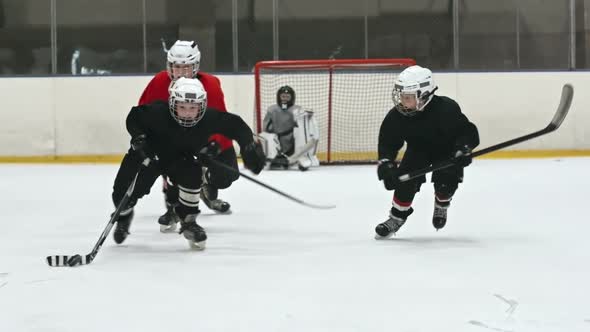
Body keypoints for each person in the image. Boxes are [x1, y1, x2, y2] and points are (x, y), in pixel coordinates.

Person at [111, 78, 266, 250]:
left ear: (201, 106)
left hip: (178, 159)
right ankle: (124, 217)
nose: (187, 113)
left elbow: (236, 125)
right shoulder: (156, 112)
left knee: (192, 175)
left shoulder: (208, 118)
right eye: (182, 107)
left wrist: (248, 146)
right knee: (122, 195)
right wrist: (139, 138)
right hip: (147, 155)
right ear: (172, 103)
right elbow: (134, 117)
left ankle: (188, 221)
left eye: (193, 108)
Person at [139, 40, 237, 225]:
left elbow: (221, 121)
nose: (180, 72)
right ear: (169, 66)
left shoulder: (210, 85)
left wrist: (212, 147)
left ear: (196, 66)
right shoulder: (160, 82)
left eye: (187, 67)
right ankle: (174, 204)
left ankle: (206, 183)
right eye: (176, 67)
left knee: (226, 176)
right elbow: (143, 112)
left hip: (205, 141)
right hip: (176, 144)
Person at [375, 65, 479, 238]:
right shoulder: (397, 116)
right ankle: (396, 218)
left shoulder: (446, 109)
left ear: (424, 95)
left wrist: (463, 149)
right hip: (418, 150)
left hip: (447, 151)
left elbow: (466, 132)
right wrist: (386, 164)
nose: (402, 101)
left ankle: (442, 202)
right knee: (405, 181)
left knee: (446, 182)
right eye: (401, 96)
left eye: (408, 97)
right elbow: (388, 141)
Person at [259, 86, 320, 171]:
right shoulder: (272, 109)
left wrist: (307, 116)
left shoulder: (298, 110)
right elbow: (266, 128)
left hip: (292, 141)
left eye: (287, 97)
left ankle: (302, 157)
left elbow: (302, 125)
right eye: (283, 96)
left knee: (301, 131)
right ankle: (271, 159)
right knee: (264, 135)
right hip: (278, 141)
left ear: (292, 98)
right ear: (278, 97)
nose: (285, 99)